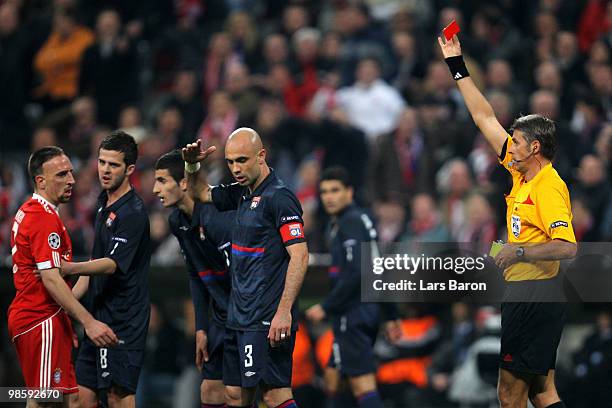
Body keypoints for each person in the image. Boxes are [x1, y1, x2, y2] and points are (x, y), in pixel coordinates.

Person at [438, 33, 577, 408]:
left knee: (509, 393)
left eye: (515, 142)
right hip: (531, 294)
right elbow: (483, 116)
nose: (508, 146)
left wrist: (518, 253)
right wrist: (457, 67)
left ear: (534, 148)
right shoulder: (521, 173)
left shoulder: (548, 187)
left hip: (535, 297)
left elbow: (567, 247)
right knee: (543, 392)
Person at [182, 128, 309, 408]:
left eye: (242, 160)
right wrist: (192, 166)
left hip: (265, 318)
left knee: (273, 394)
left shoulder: (280, 197)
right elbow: (200, 192)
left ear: (261, 156)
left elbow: (300, 255)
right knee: (235, 396)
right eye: (230, 162)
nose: (236, 168)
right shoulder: (241, 193)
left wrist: (284, 311)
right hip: (238, 317)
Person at [8, 146, 117, 407]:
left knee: (73, 398)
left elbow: (58, 281)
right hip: (39, 317)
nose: (71, 180)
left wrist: (91, 266)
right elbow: (52, 280)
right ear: (40, 180)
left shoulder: (35, 211)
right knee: (42, 399)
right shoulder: (42, 218)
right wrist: (88, 321)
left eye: (70, 173)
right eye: (61, 175)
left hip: (47, 316)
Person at [60, 131, 151, 407]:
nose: (105, 170)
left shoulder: (133, 212)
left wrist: (70, 267)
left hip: (125, 321)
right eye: (102, 162)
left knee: (117, 398)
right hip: (97, 316)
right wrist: (67, 302)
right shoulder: (103, 203)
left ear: (130, 169)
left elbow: (111, 264)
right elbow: (94, 260)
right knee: (80, 397)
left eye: (113, 165)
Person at [305, 166, 401, 408]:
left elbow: (360, 272)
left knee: (362, 384)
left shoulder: (349, 223)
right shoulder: (360, 220)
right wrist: (390, 314)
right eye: (324, 191)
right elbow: (379, 265)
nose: (329, 196)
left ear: (349, 192)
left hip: (354, 313)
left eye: (335, 190)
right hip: (361, 312)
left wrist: (327, 306)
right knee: (334, 378)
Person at [153, 149, 236, 407]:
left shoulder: (216, 218)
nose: (155, 189)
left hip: (245, 314)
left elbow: (243, 273)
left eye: (162, 180)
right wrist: (201, 327)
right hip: (221, 316)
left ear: (184, 183)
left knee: (249, 393)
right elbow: (196, 274)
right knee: (209, 391)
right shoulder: (177, 221)